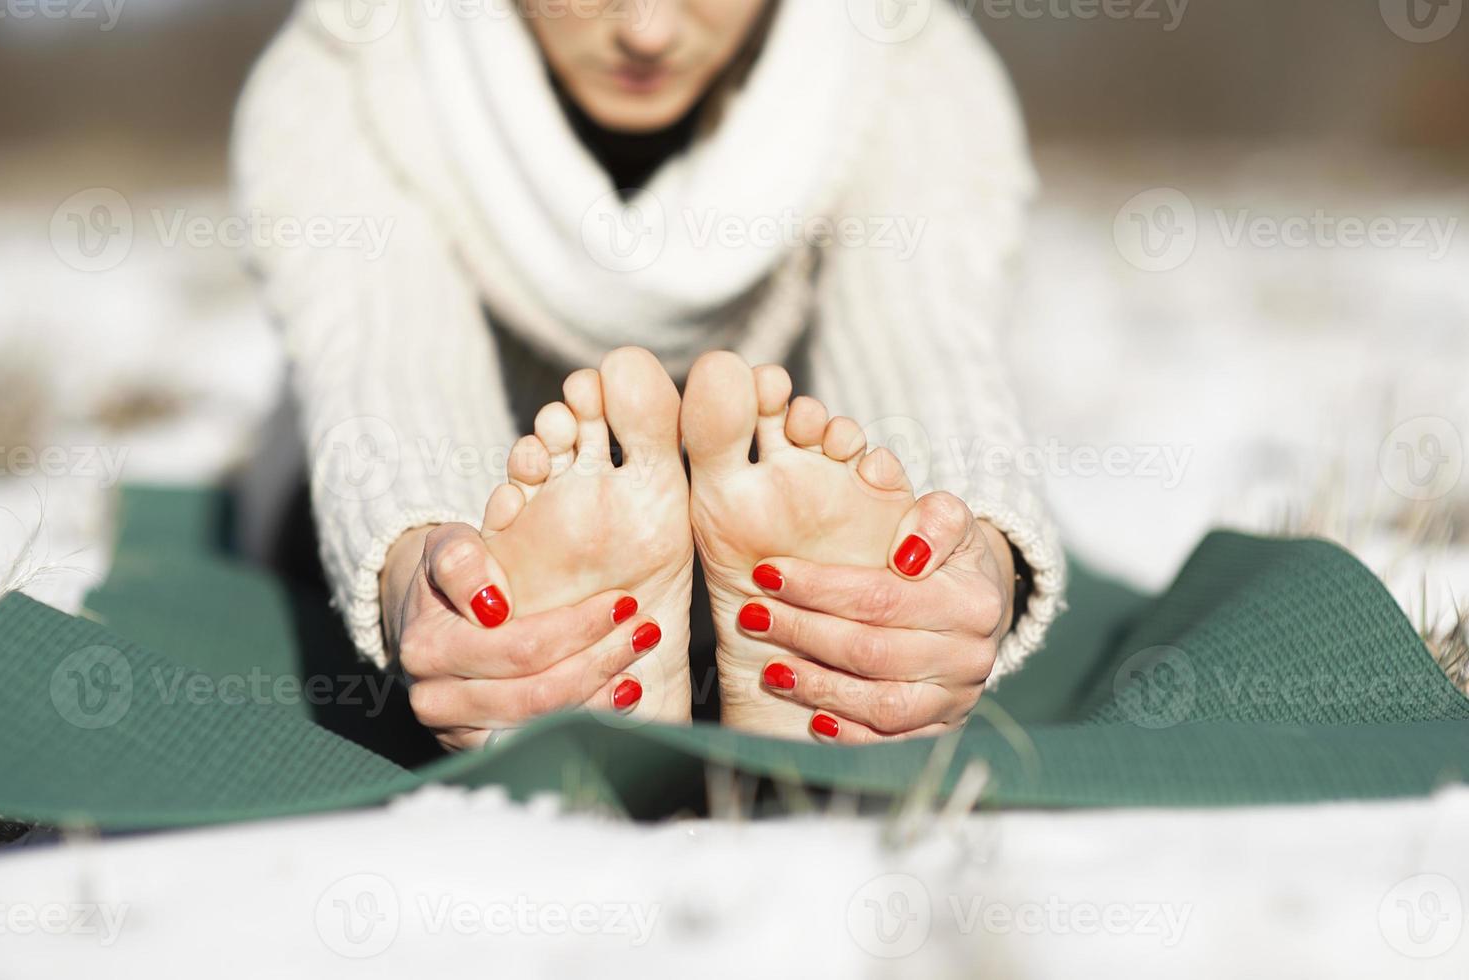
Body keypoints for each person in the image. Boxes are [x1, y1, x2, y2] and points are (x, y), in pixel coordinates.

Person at [232, 0, 1065, 750]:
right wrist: (429, 575)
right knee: (363, 531)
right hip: (441, 494)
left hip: (764, 531)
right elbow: (392, 362)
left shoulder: (913, 62)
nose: (648, 32)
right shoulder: (346, 69)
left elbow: (925, 343)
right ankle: (552, 601)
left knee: (884, 522)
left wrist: (958, 564)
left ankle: (802, 612)